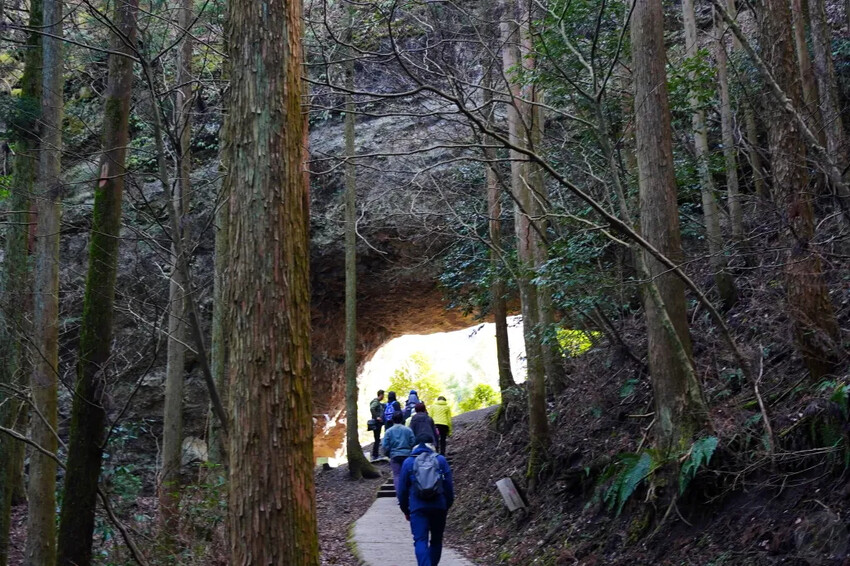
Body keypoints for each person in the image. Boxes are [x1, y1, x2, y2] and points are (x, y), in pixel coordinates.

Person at [397, 433, 454, 566]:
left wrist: (405, 509)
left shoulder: (408, 462)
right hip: (439, 506)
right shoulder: (441, 460)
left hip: (417, 507)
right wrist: (447, 504)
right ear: (432, 445)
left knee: (420, 540)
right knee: (436, 540)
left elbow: (402, 491)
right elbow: (449, 486)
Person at [382, 411, 415, 492]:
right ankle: (408, 492)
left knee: (397, 475)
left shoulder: (389, 431)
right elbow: (413, 441)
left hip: (394, 455)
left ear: (392, 419)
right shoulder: (408, 430)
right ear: (402, 419)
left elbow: (385, 444)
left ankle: (400, 494)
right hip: (407, 455)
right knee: (408, 474)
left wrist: (389, 452)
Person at [369, 389, 385, 460]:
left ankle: (375, 454)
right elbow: (372, 408)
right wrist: (377, 417)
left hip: (378, 423)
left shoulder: (378, 402)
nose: (383, 397)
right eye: (383, 395)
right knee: (377, 439)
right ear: (381, 395)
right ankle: (375, 455)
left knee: (377, 439)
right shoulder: (376, 402)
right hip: (376, 423)